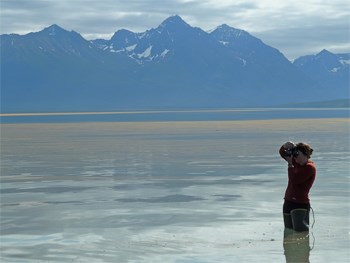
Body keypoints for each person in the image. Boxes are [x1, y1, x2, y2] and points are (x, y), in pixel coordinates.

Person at [279, 141, 316, 232]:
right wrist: (285, 145)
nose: (295, 157)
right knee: (288, 231)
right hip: (288, 202)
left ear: (305, 154)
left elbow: (295, 180)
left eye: (297, 155)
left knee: (300, 233)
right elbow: (282, 153)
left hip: (300, 204)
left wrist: (290, 164)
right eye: (294, 155)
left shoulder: (309, 168)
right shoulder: (295, 162)